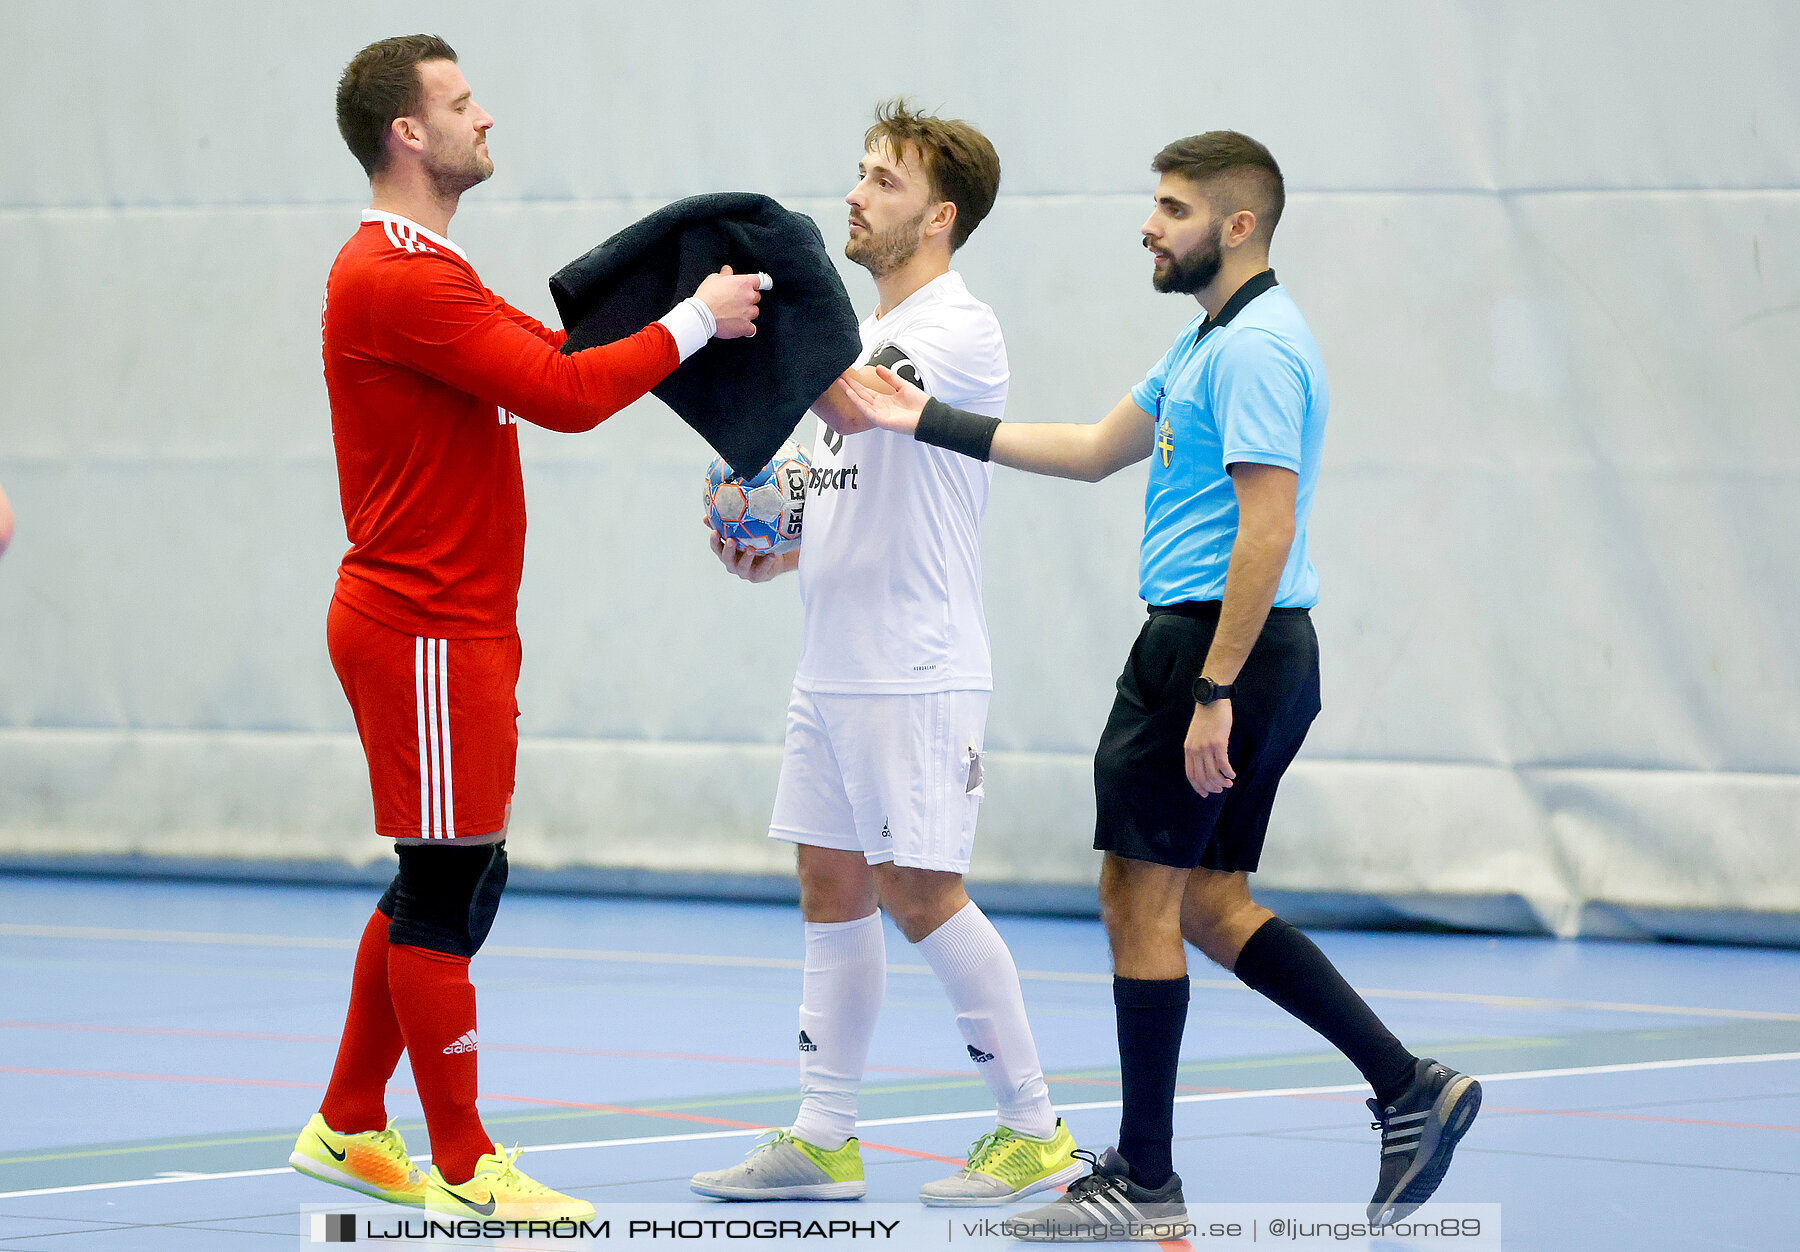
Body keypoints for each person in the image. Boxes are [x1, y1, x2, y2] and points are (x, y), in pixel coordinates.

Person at [841, 131, 1481, 1240]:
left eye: (1172, 208)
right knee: (1210, 904)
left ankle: (1145, 1176)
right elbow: (1093, 448)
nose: (1149, 224)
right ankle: (1409, 1086)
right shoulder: (1203, 345)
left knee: (1135, 896)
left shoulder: (1258, 351)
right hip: (1245, 653)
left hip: (1212, 651)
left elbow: (1267, 527)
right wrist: (920, 418)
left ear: (1237, 227)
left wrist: (1213, 688)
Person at [288, 34, 763, 1221]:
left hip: (452, 623)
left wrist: (682, 314)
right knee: (450, 884)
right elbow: (562, 398)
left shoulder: (427, 264)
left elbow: (555, 353)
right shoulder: (398, 272)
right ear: (408, 133)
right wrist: (699, 319)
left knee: (447, 871)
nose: (483, 118)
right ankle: (464, 1166)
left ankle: (349, 1124)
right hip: (422, 626)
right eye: (459, 103)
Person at [688, 101, 1078, 1208]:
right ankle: (824, 1135)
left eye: (884, 181)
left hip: (918, 659)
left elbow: (858, 410)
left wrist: (735, 324)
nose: (855, 195)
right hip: (834, 658)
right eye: (857, 173)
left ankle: (1035, 1128)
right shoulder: (849, 345)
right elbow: (830, 478)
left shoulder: (959, 327)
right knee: (831, 882)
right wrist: (773, 539)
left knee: (920, 889)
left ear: (939, 217)